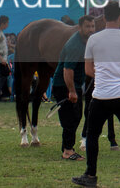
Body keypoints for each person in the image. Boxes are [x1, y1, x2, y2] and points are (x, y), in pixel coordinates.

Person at [72, 1, 120, 188]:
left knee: (92, 136)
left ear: (104, 17)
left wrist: (105, 74)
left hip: (101, 95)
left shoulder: (93, 39)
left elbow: (88, 70)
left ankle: (91, 175)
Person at [52, 15, 95, 161]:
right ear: (80, 27)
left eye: (92, 26)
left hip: (74, 85)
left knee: (76, 117)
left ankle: (67, 147)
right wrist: (71, 91)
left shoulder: (86, 42)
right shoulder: (75, 45)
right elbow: (67, 70)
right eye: (87, 26)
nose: (91, 29)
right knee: (70, 119)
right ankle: (67, 151)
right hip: (64, 85)